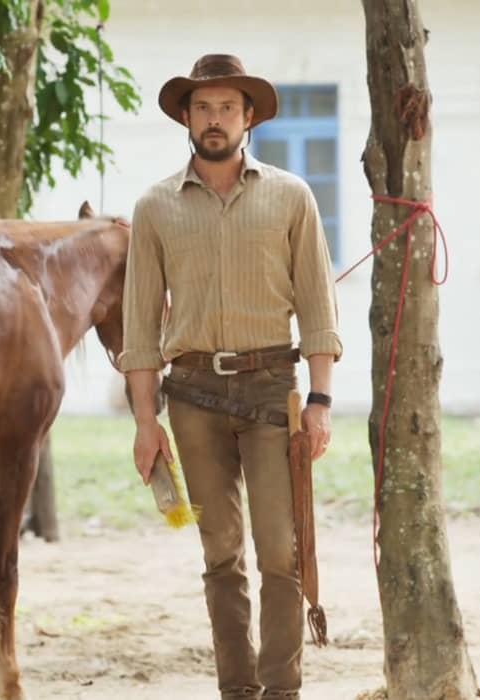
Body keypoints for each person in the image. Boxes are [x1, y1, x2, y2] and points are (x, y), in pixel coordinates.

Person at [117, 53, 343, 700]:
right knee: (220, 555)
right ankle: (237, 691)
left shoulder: (291, 196)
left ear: (248, 118)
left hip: (272, 388)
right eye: (203, 107)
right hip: (191, 396)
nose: (214, 120)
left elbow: (318, 307)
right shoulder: (155, 207)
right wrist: (144, 422)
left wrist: (320, 401)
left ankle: (282, 691)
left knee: (281, 551)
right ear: (186, 118)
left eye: (226, 108)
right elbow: (139, 330)